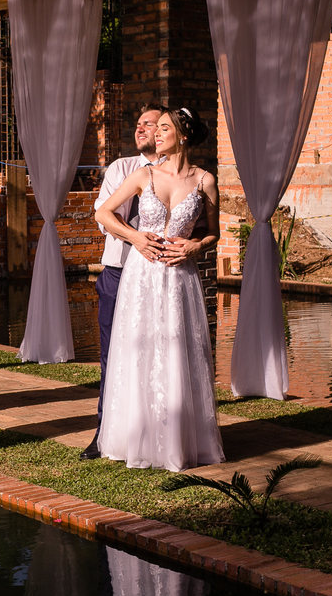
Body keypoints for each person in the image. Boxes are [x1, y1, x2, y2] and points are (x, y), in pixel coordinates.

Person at [93, 107, 224, 471]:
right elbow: (103, 213)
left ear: (182, 135)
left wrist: (198, 246)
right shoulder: (143, 175)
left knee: (177, 347)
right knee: (139, 348)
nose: (157, 133)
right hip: (142, 272)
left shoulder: (205, 181)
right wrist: (135, 237)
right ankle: (134, 437)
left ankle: (177, 439)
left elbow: (214, 232)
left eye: (164, 128)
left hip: (180, 276)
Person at [80, 104, 166, 461]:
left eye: (151, 124)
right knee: (111, 356)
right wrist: (136, 237)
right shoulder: (122, 168)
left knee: (158, 354)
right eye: (139, 123)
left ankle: (159, 431)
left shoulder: (181, 174)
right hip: (118, 273)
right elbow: (105, 218)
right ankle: (105, 433)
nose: (142, 128)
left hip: (160, 277)